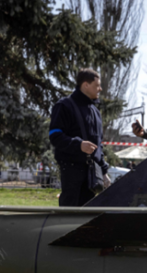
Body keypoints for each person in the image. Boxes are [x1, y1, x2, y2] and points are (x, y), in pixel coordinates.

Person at [49, 68, 111, 206]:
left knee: (87, 214)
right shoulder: (64, 106)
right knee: (68, 213)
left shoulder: (95, 112)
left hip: (92, 173)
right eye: (97, 85)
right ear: (85, 85)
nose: (100, 89)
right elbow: (55, 136)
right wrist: (79, 145)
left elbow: (98, 146)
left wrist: (104, 171)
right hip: (71, 169)